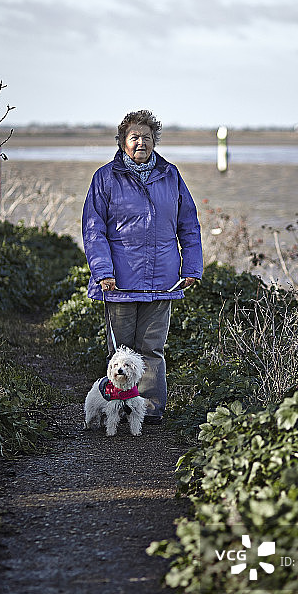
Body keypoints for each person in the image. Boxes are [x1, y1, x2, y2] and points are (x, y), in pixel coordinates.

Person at [82, 109, 203, 423]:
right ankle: (118, 409)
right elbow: (94, 230)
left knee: (152, 349)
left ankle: (149, 409)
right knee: (121, 352)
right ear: (123, 142)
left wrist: (192, 267)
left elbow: (189, 224)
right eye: (134, 137)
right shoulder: (105, 178)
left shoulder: (171, 175)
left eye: (146, 137)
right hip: (119, 283)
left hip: (163, 281)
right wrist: (103, 272)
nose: (140, 143)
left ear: (154, 142)